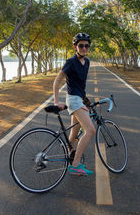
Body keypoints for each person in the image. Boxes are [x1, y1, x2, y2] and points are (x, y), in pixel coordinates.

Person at [53, 32, 95, 176]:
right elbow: (57, 81)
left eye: (86, 45)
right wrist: (56, 101)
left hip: (79, 99)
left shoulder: (87, 62)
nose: (84, 48)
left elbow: (80, 86)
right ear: (75, 46)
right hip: (73, 100)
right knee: (90, 130)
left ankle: (69, 157)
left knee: (73, 134)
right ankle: (75, 165)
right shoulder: (71, 62)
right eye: (81, 45)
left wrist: (87, 102)